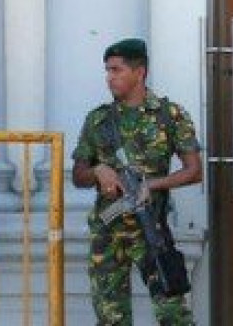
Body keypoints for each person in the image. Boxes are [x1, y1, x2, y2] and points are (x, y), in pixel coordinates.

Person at [73, 38, 202, 325]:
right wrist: (98, 172)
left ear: (139, 72)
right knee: (111, 318)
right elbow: (77, 176)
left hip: (150, 228)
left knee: (173, 313)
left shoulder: (170, 116)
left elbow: (194, 171)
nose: (110, 78)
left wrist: (149, 186)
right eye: (108, 71)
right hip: (108, 232)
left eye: (117, 70)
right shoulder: (98, 121)